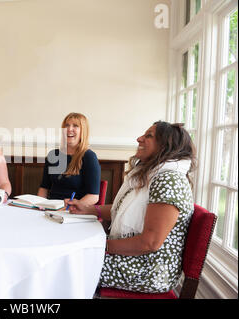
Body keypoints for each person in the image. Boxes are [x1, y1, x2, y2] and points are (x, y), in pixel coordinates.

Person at [66, 121, 196, 294]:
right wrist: (90, 209)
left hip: (148, 269)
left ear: (166, 145)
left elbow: (150, 243)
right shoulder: (152, 174)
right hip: (137, 258)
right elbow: (123, 211)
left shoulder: (169, 180)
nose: (139, 138)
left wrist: (100, 246)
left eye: (148, 136)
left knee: (68, 263)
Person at [37, 112, 101, 205]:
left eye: (75, 126)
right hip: (51, 209)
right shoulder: (53, 155)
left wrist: (72, 207)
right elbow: (44, 188)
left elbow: (93, 196)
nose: (69, 129)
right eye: (66, 125)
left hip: (73, 211)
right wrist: (40, 206)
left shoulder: (89, 156)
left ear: (83, 131)